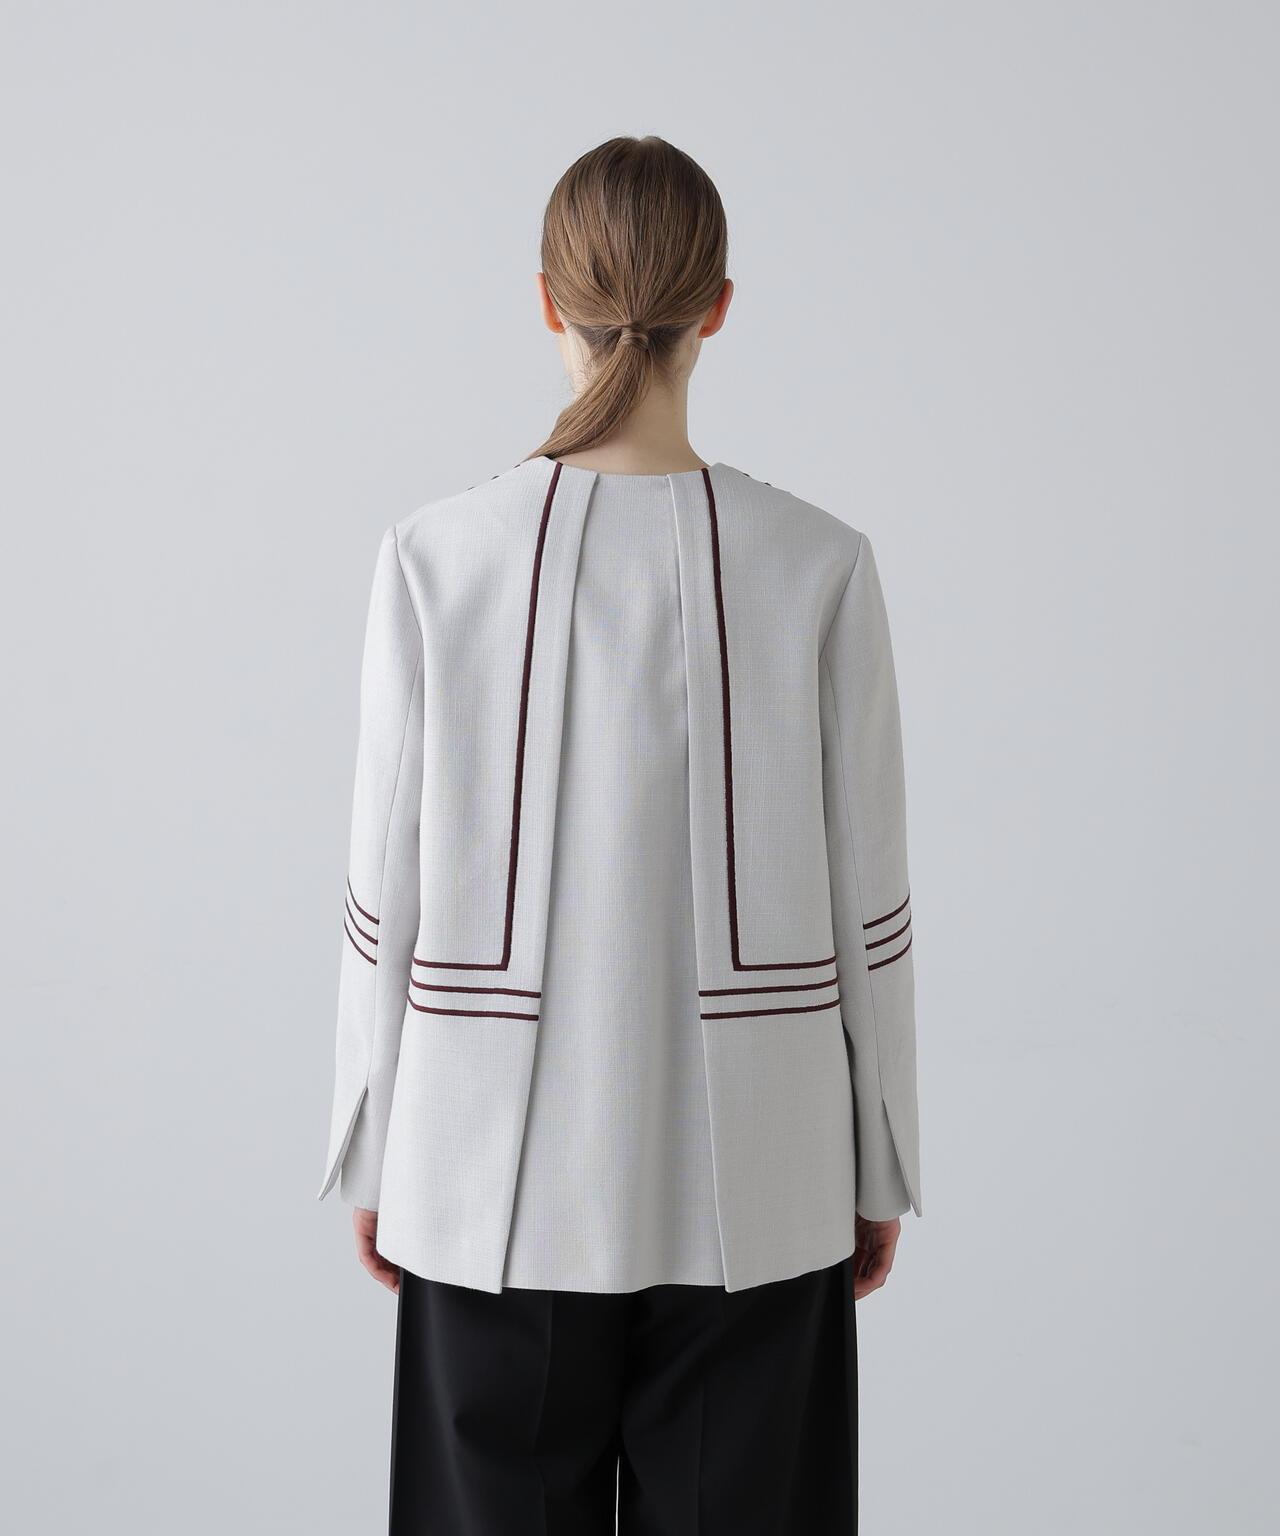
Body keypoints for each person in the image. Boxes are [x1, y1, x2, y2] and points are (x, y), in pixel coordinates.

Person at [319, 134, 922, 1535]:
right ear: (719, 306)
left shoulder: (435, 556)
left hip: (482, 1177)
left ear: (549, 301)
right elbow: (870, 894)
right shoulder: (818, 563)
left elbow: (381, 882)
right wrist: (878, 1156)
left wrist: (375, 1141)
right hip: (764, 1182)